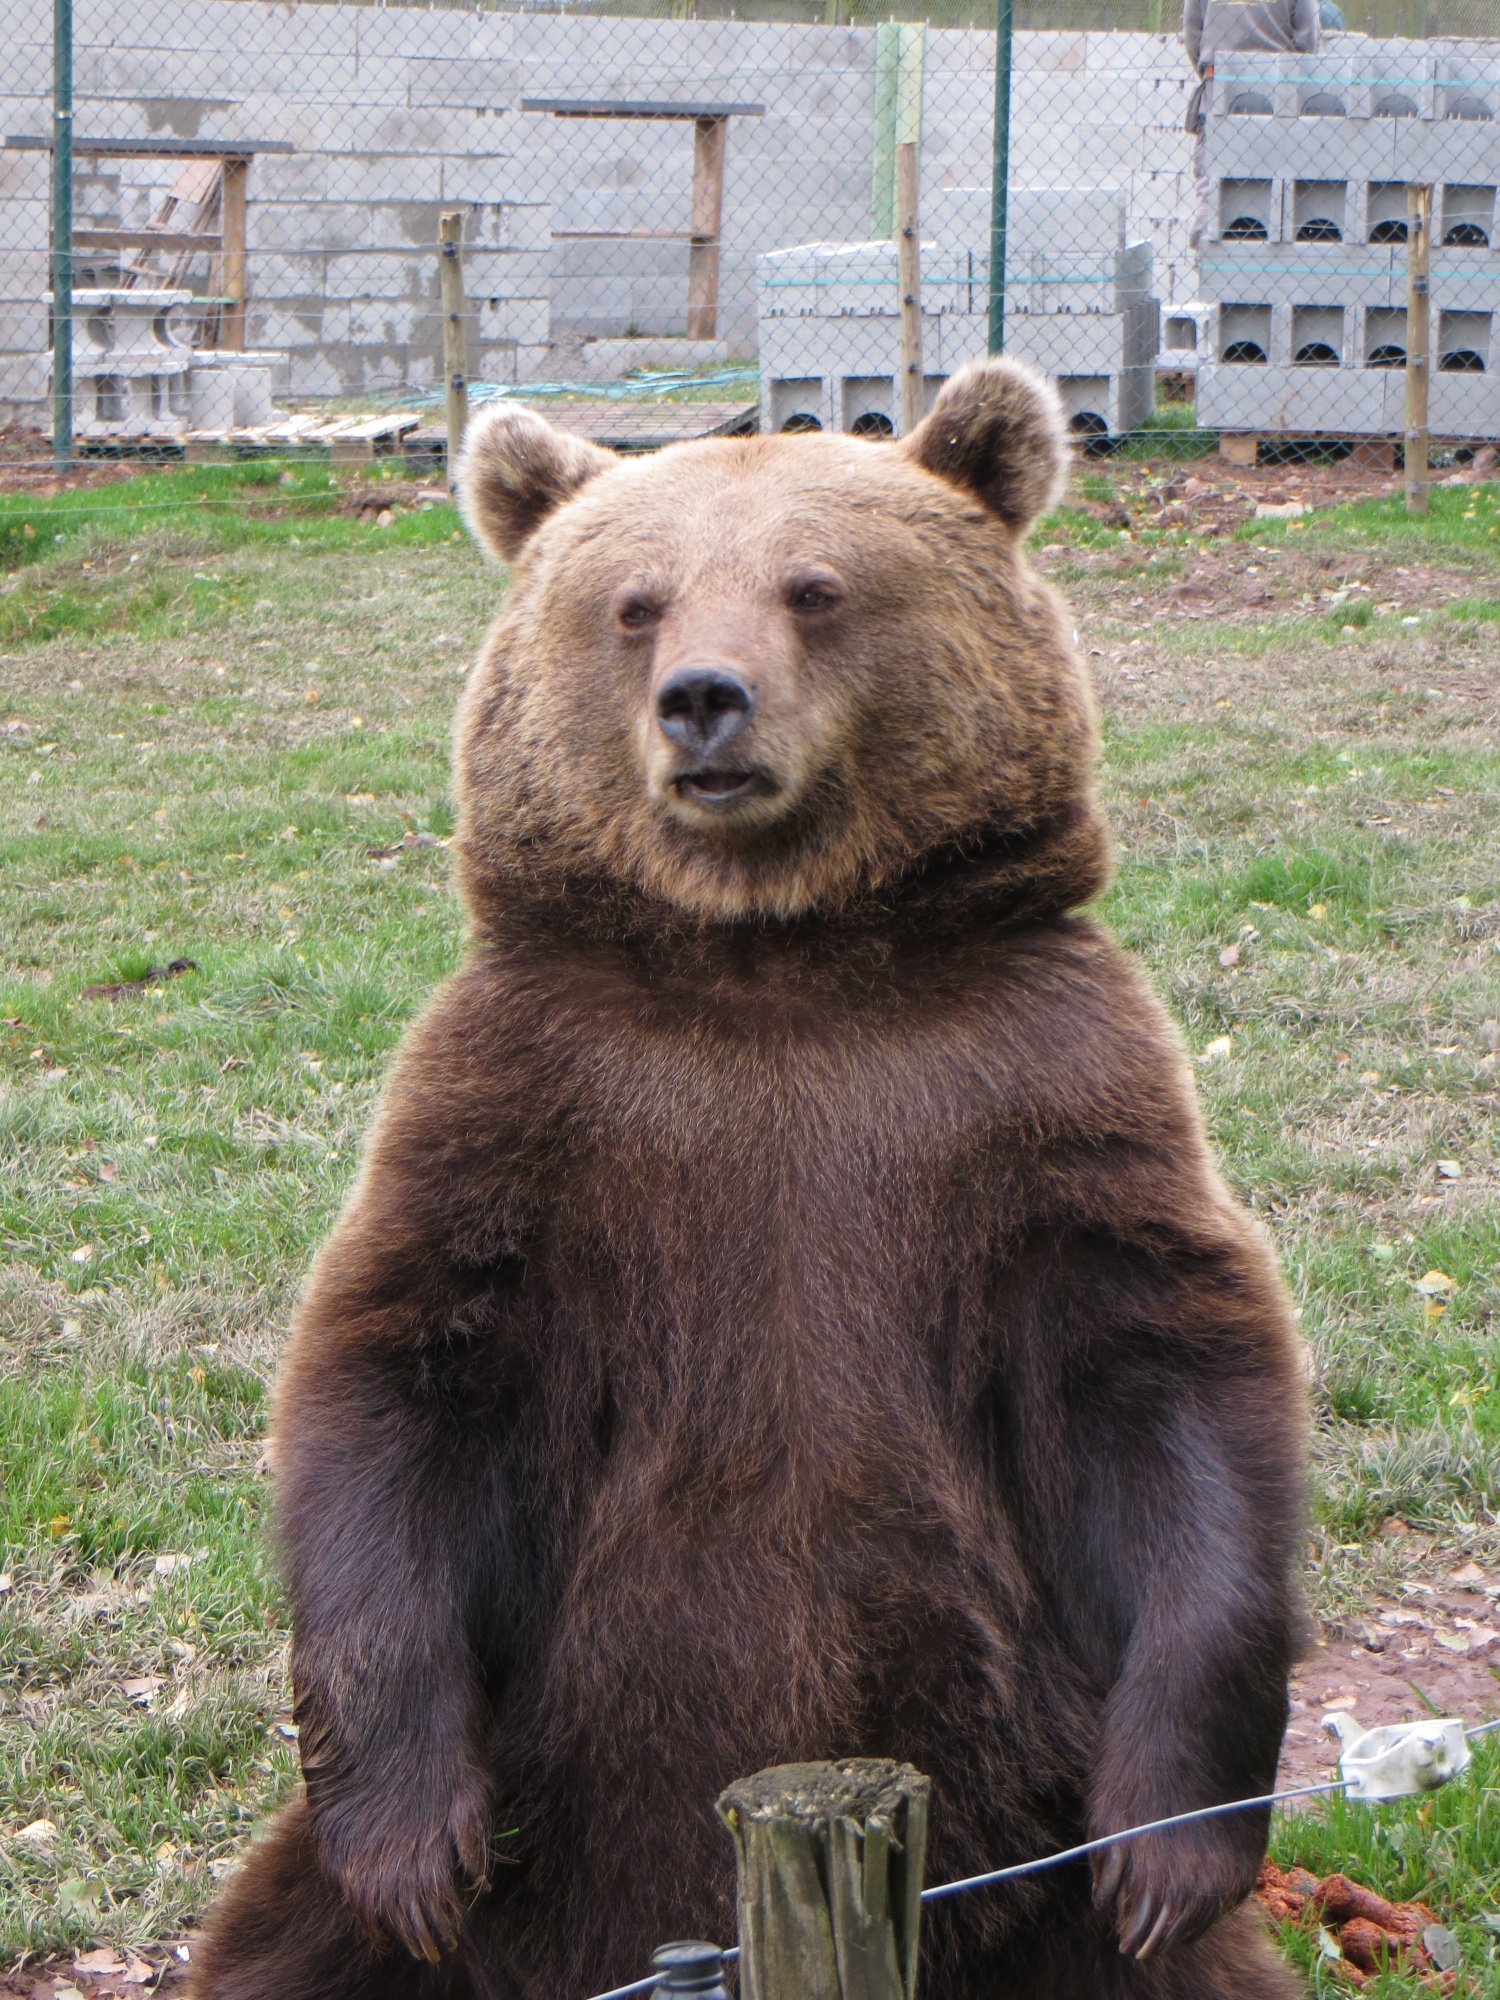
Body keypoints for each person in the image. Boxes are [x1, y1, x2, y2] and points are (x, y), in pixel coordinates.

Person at [1183, 0, 1321, 248]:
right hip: (1279, 87)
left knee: (1213, 185)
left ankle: (1209, 250)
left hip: (1220, 83)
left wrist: (1213, 73)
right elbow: (1308, 36)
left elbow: (1192, 33)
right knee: (1279, 190)